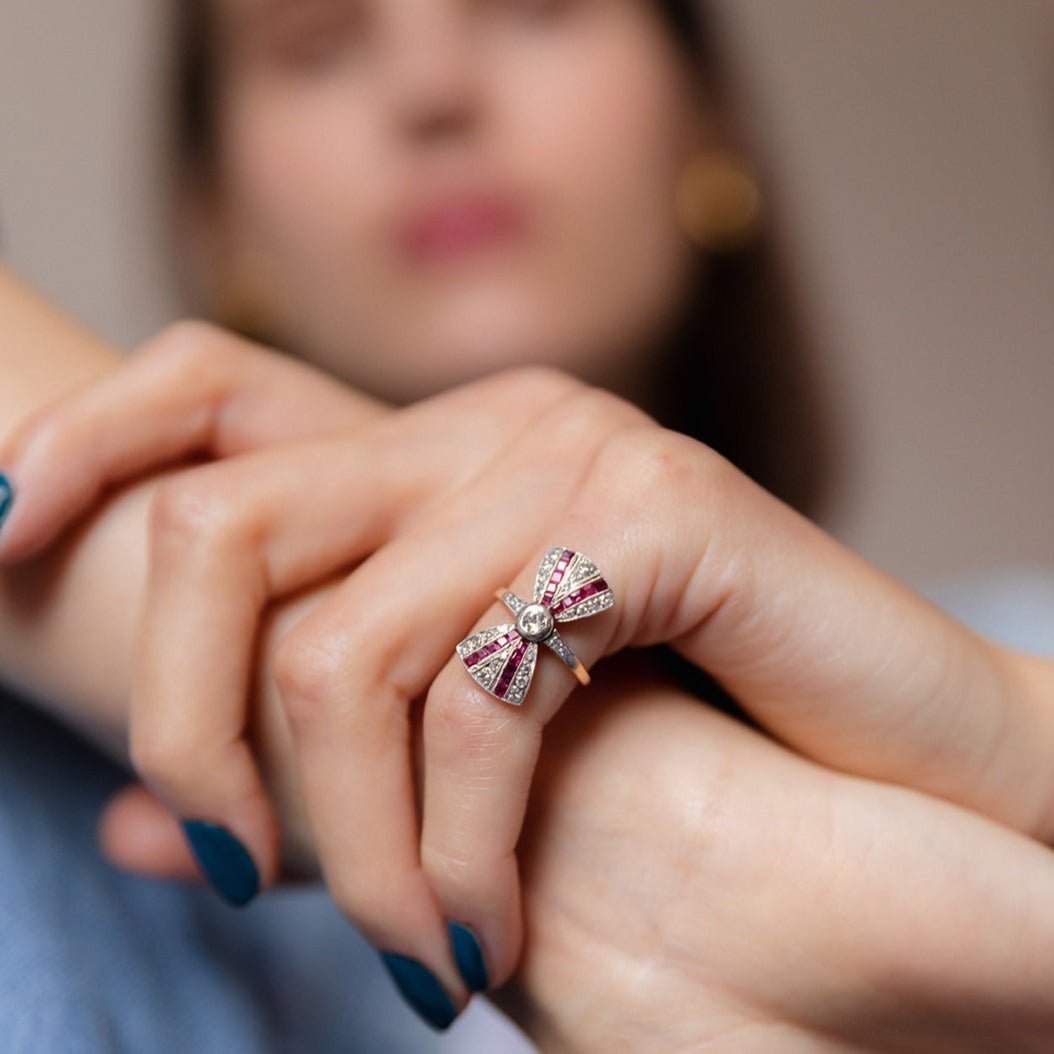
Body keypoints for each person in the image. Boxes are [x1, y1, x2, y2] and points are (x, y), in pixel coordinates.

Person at [1, 2, 1054, 1050]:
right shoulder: (83, 815)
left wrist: (1009, 737)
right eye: (315, 45)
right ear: (218, 219)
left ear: (707, 119)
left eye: (533, 10)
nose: (434, 92)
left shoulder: (1028, 638)